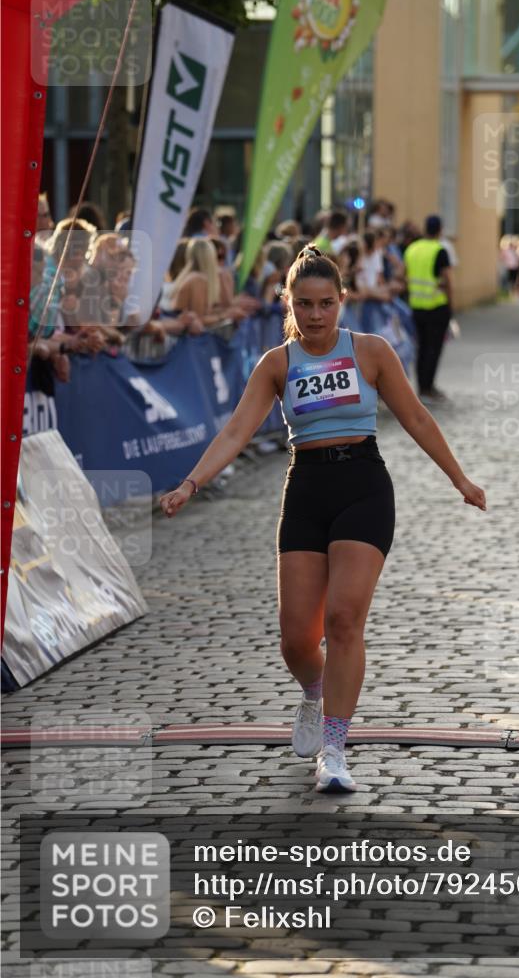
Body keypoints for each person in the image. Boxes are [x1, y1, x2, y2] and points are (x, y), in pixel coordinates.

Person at [159, 246, 486, 793]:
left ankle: (335, 749)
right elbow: (237, 431)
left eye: (326, 304)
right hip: (306, 488)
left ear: (343, 301)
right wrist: (192, 482)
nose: (315, 315)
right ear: (287, 302)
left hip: (363, 485)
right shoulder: (278, 363)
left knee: (344, 620)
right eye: (305, 304)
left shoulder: (372, 351)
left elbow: (416, 417)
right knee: (295, 638)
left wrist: (459, 478)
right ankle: (314, 692)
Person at [403, 214, 452, 404]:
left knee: (421, 348)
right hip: (437, 306)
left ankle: (421, 387)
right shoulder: (440, 250)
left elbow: (403, 275)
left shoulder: (412, 249)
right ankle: (428, 388)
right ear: (439, 230)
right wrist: (451, 304)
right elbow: (448, 279)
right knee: (434, 349)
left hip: (416, 307)